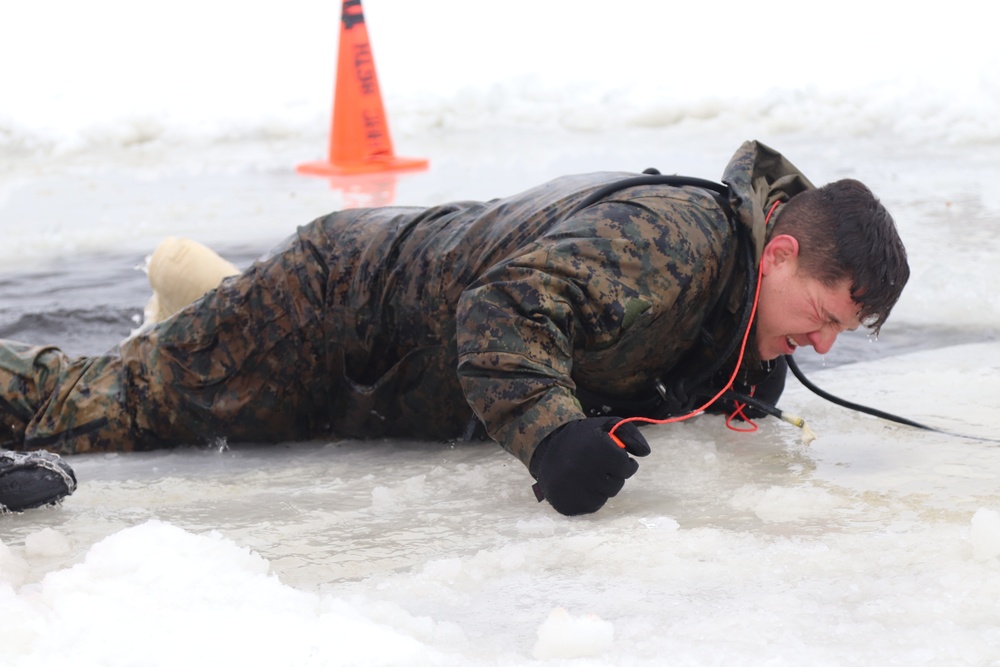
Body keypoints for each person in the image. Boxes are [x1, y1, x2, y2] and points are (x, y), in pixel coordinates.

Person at [0, 140, 909, 515]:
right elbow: (500, 309)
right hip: (331, 315)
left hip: (389, 344)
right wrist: (552, 434)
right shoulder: (676, 241)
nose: (824, 343)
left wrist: (741, 359)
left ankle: (190, 286)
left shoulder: (731, 286)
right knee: (104, 405)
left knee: (188, 357)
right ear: (780, 250)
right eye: (822, 318)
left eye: (841, 334)